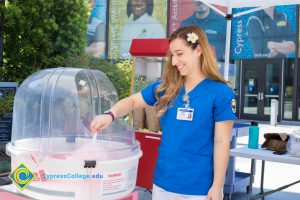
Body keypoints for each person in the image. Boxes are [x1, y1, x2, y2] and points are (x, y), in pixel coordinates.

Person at [91, 25, 235, 200]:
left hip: (198, 187)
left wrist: (218, 186)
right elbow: (133, 101)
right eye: (172, 55)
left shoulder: (221, 93)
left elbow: (222, 142)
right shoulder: (167, 87)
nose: (174, 61)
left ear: (198, 50)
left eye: (180, 54)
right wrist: (110, 114)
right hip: (163, 182)